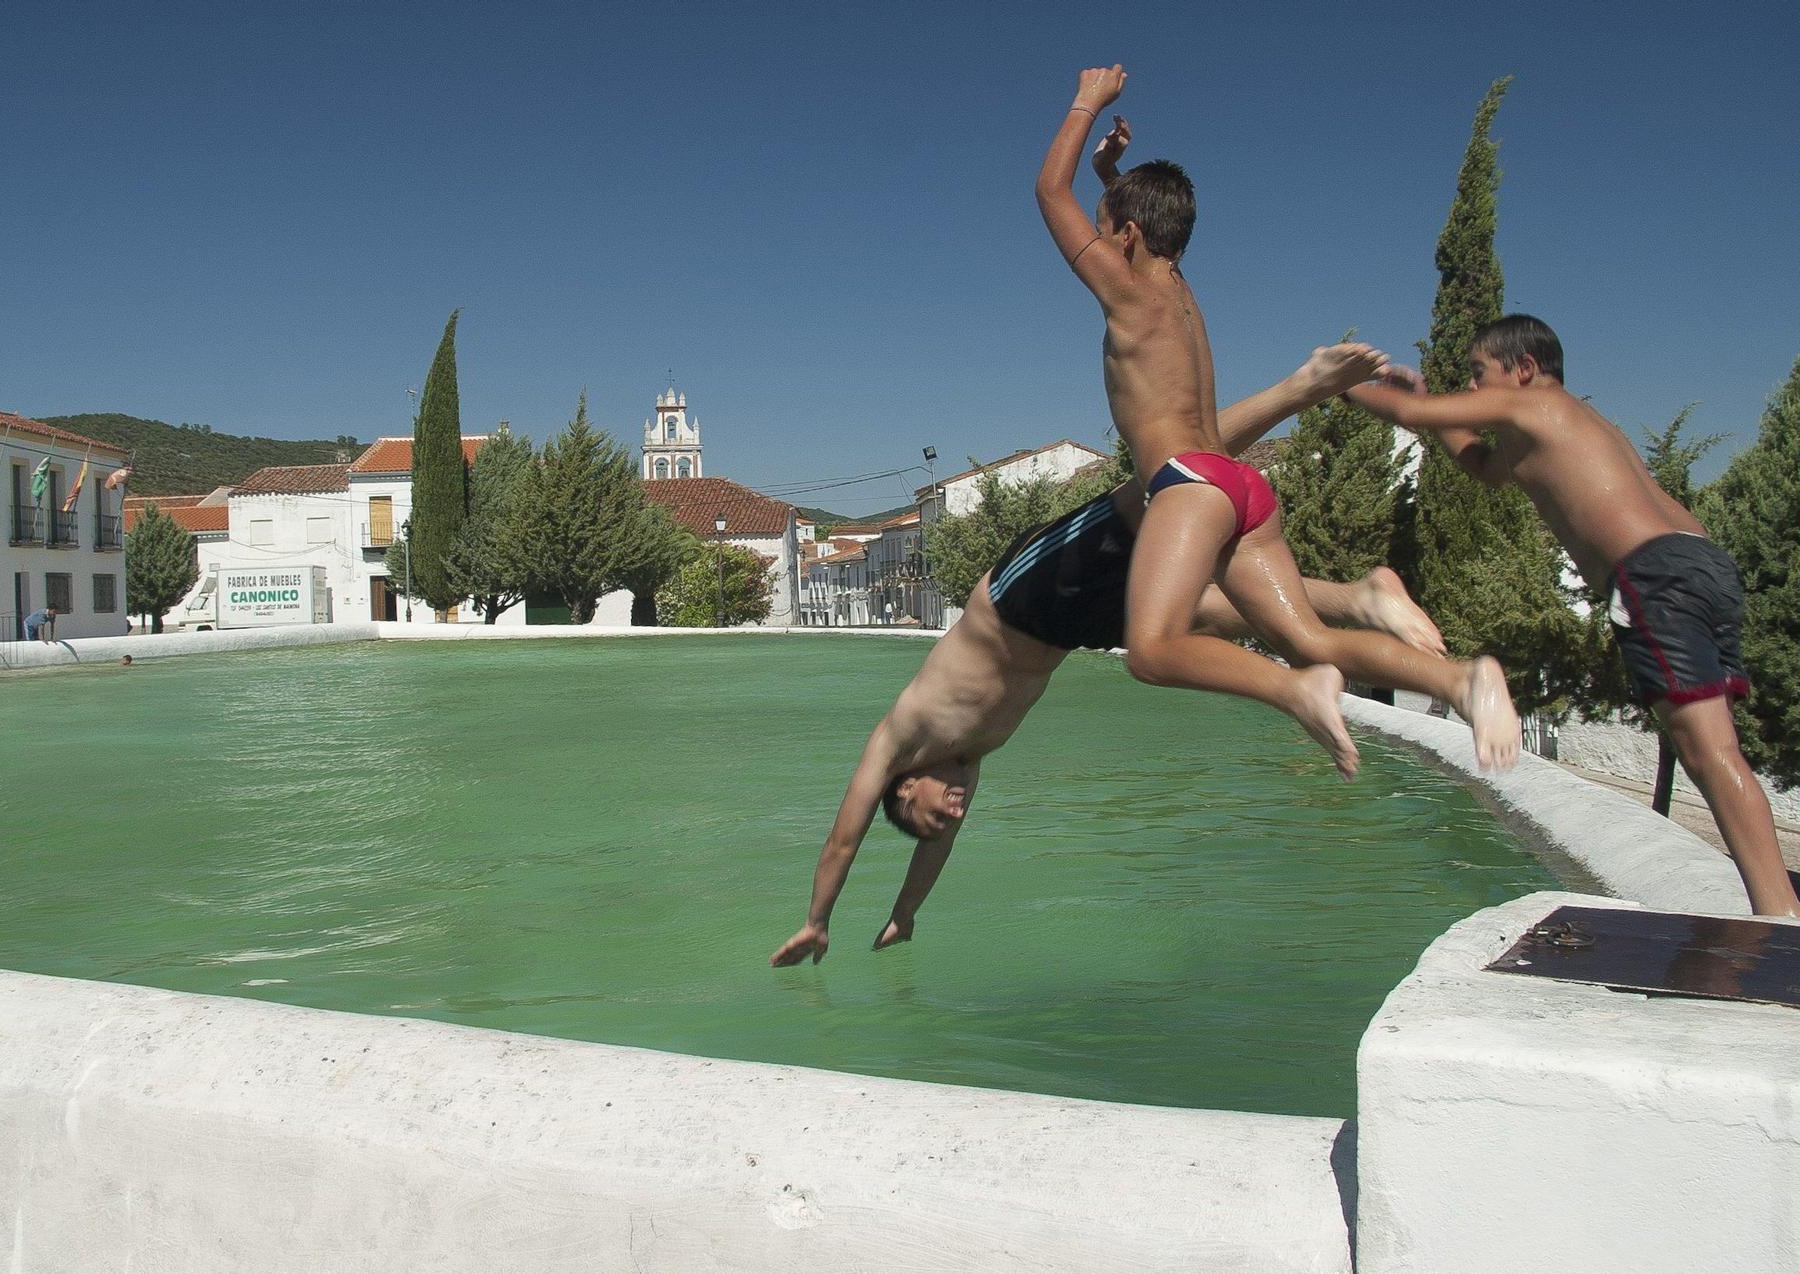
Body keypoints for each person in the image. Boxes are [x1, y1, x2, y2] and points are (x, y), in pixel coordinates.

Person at [770, 345, 1449, 966]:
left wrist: (817, 920)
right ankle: (1359, 598)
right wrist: (905, 913)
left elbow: (843, 840)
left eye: (929, 812)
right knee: (1207, 612)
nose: (949, 814)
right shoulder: (965, 768)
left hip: (1023, 592)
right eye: (947, 817)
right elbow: (934, 852)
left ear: (905, 790)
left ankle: (1301, 389)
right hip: (1070, 629)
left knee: (1167, 479)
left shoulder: (899, 739)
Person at [1036, 65, 1520, 781]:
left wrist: (1085, 103)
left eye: (1106, 232)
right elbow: (1128, 215)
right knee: (1312, 638)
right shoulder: (1179, 291)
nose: (1097, 245)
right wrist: (1112, 169)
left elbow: (1050, 191)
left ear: (1129, 237)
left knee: (1153, 649)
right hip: (1242, 488)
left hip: (1188, 484)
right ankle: (1461, 680)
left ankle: (1294, 689)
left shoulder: (1128, 294)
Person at [1346, 314, 1800, 917]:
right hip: (1703, 563)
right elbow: (1481, 467)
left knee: (1708, 751)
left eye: (1480, 375)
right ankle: (1777, 909)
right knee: (1717, 749)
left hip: (1653, 573)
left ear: (1525, 368)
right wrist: (1429, 401)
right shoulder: (1562, 425)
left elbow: (1402, 417)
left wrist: (1335, 383)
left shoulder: (1535, 406)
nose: (1477, 392)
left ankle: (1779, 919)